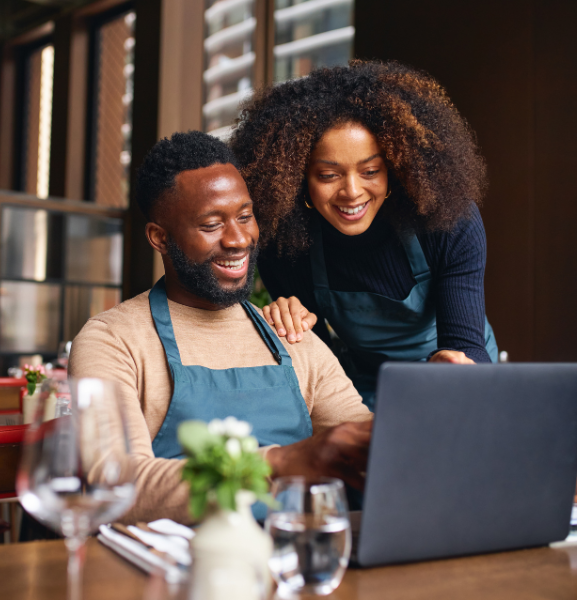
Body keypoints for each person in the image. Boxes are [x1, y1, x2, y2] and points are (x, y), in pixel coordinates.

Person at [68, 131, 371, 525]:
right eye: (212, 224)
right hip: (171, 575)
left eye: (245, 216)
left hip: (297, 563)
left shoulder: (290, 332)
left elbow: (363, 443)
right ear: (160, 238)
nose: (239, 239)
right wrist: (280, 461)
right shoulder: (112, 341)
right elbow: (116, 482)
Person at [229, 60, 498, 409]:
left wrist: (456, 366)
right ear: (297, 180)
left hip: (456, 376)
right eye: (328, 175)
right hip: (365, 386)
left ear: (395, 169)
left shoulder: (447, 221)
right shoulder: (285, 244)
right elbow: (319, 365)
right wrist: (289, 325)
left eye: (371, 170)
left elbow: (466, 343)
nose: (352, 192)